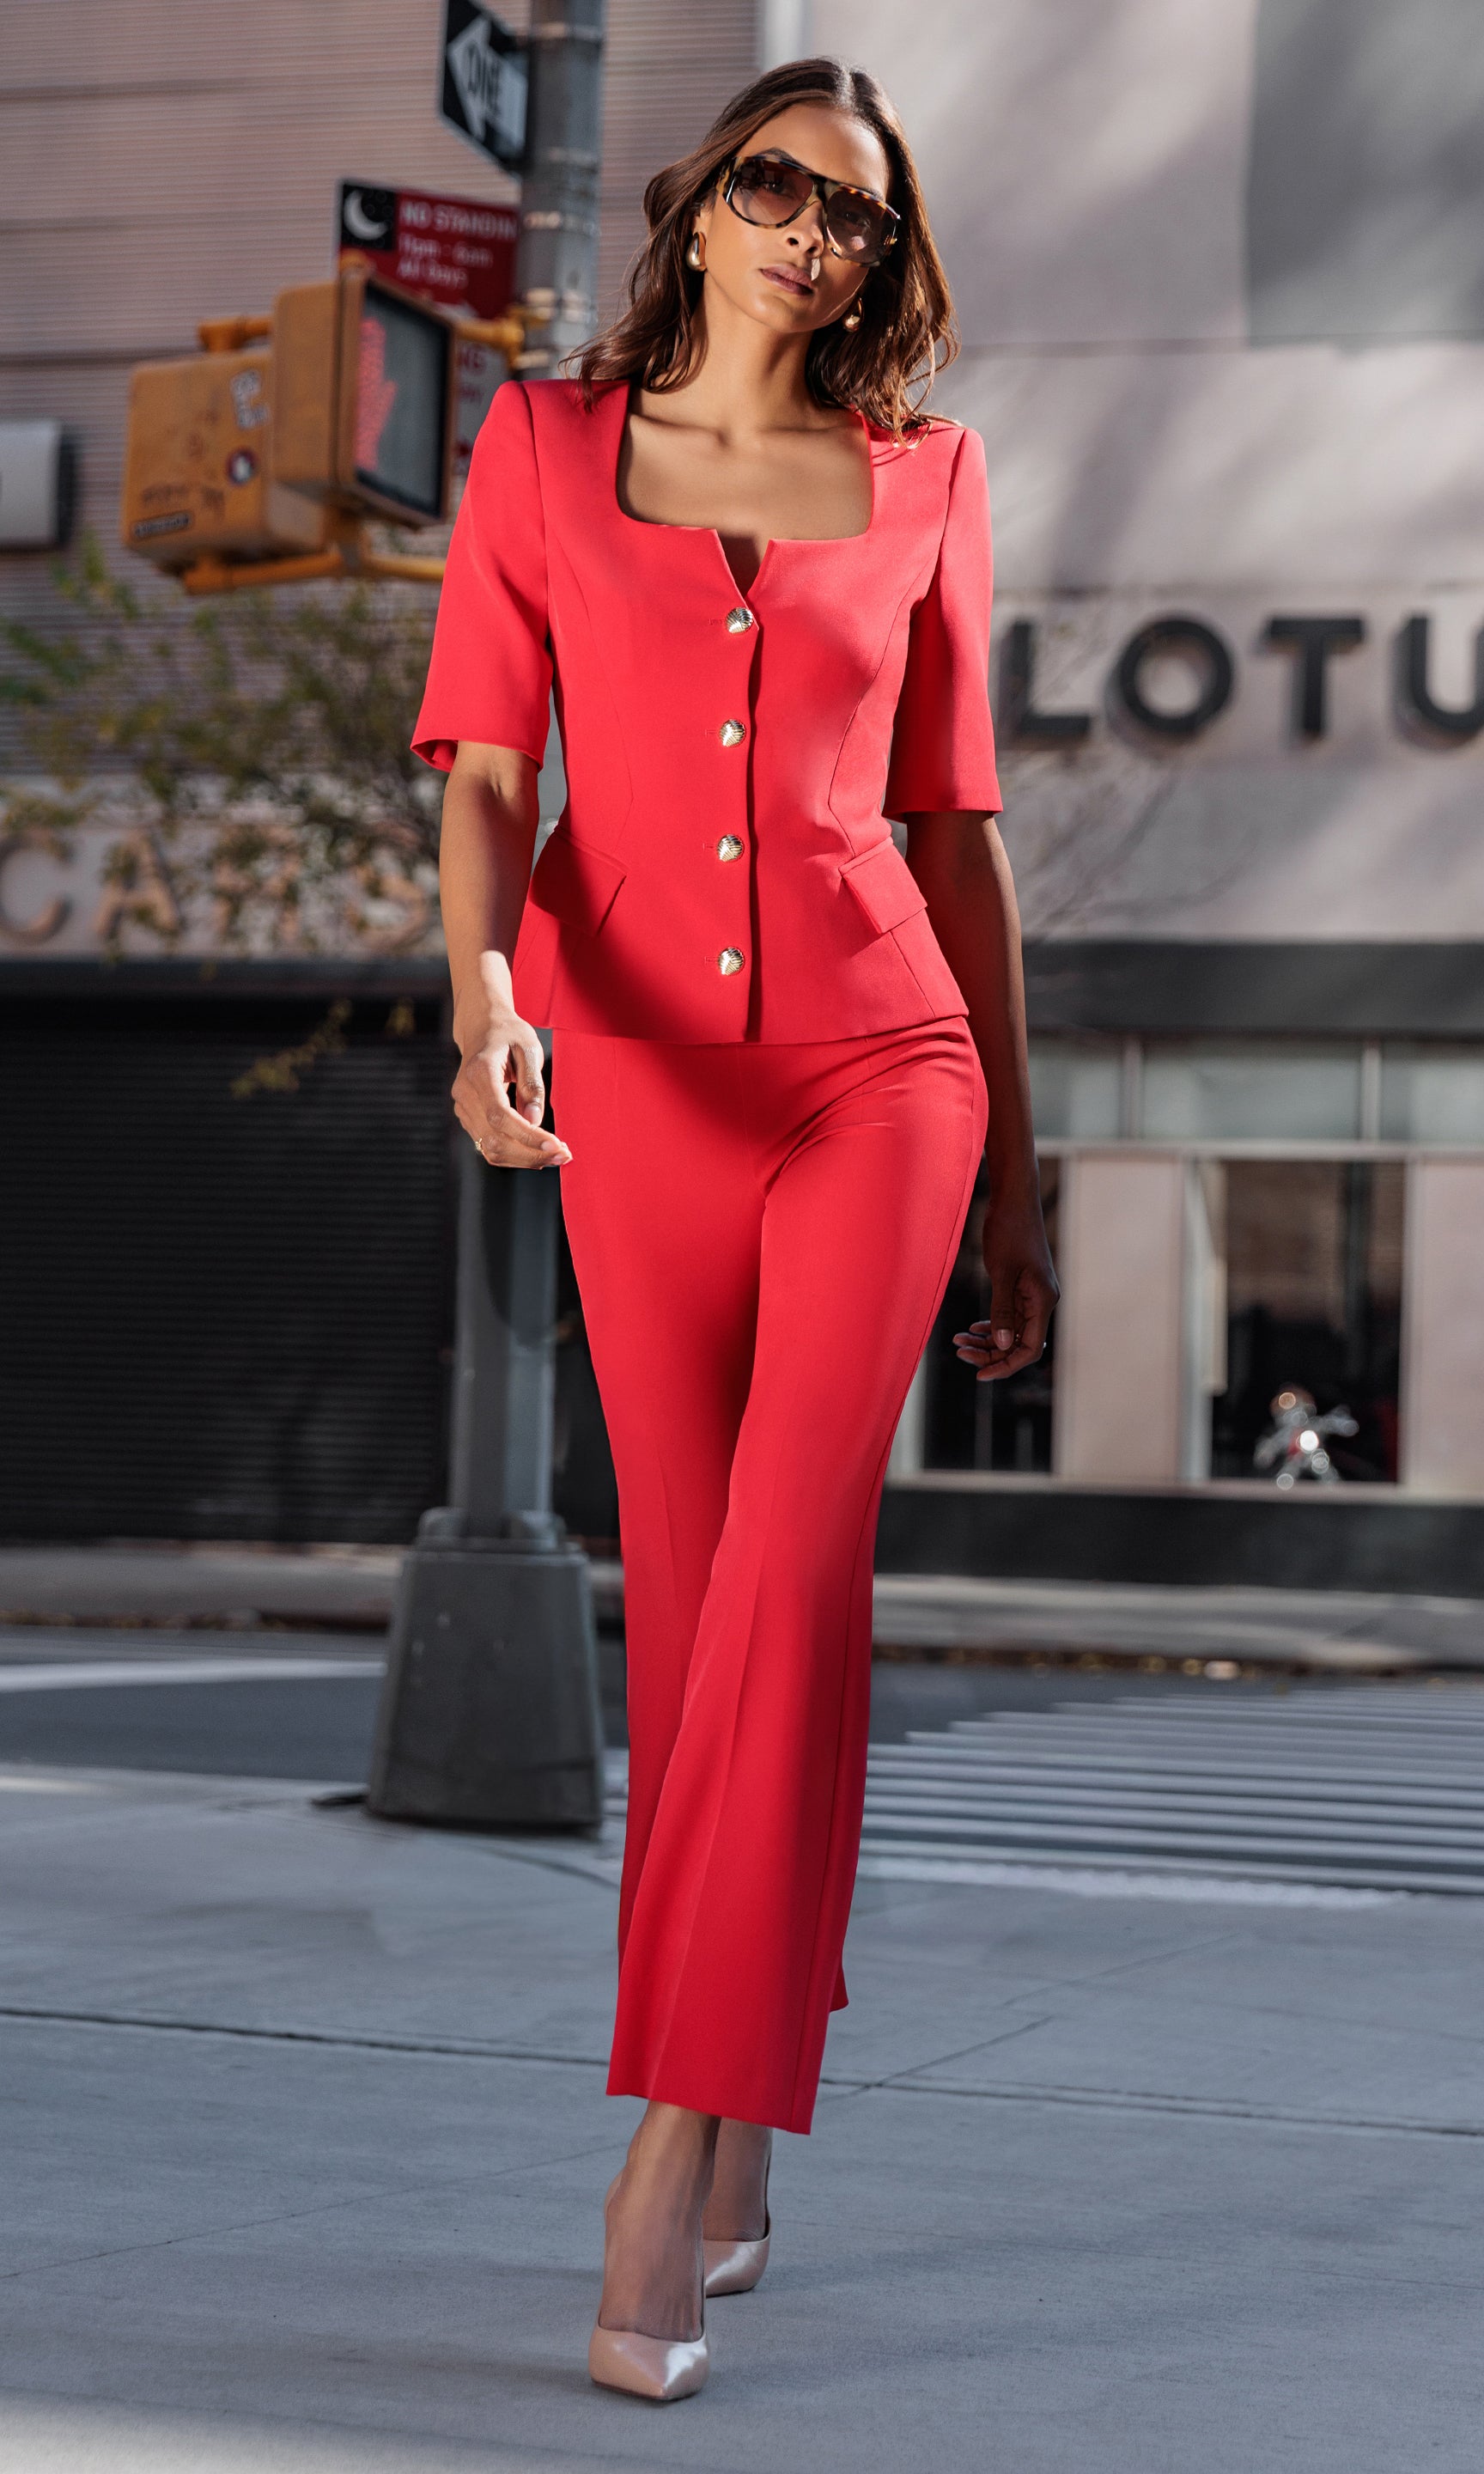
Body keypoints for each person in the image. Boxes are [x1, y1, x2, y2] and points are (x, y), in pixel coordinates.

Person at [414, 53, 1057, 2404]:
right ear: (699, 206)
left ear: (882, 260)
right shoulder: (540, 450)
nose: (813, 234)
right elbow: (490, 766)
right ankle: (762, 2080)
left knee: (786, 1575)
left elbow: (957, 836)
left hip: (884, 1073)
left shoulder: (929, 479)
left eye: (856, 215)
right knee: (696, 1610)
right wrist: (483, 997)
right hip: (638, 1086)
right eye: (779, 188)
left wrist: (1023, 1181)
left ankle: (671, 2151)